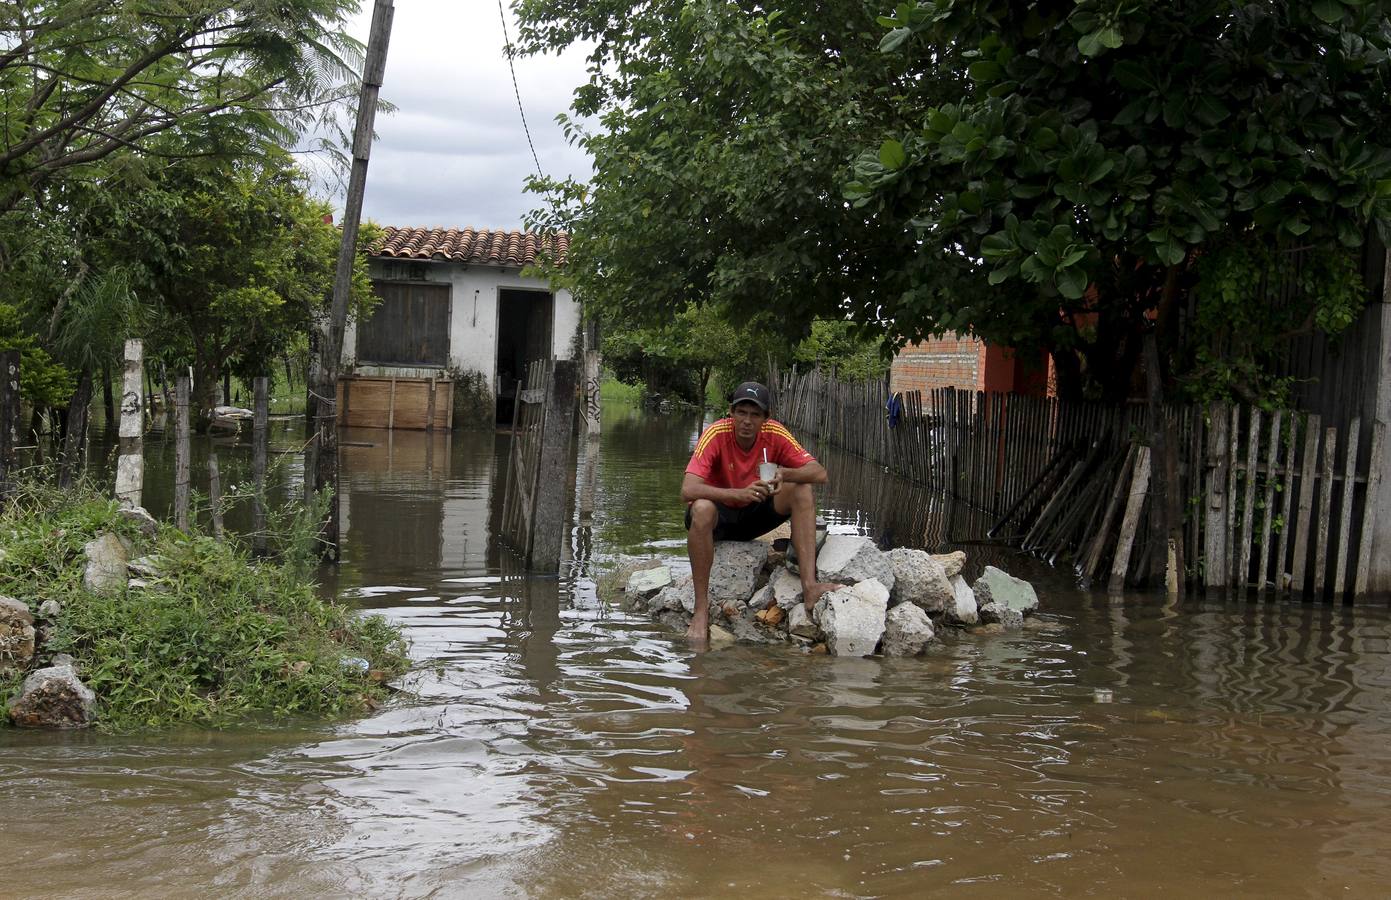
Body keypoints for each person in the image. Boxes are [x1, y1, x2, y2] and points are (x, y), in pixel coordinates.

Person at [681, 381, 838, 647]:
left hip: (754, 514)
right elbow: (687, 490)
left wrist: (784, 473)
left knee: (801, 489)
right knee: (702, 507)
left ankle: (809, 587)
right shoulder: (716, 433)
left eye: (755, 414)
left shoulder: (775, 433)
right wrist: (737, 494)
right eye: (741, 412)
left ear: (766, 418)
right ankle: (701, 610)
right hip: (718, 518)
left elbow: (819, 473)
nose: (747, 421)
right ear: (731, 412)